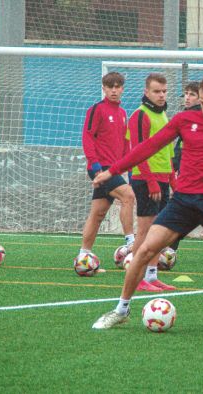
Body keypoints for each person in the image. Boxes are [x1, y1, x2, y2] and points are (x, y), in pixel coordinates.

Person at [90, 75, 203, 330]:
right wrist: (112, 171)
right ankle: (121, 309)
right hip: (182, 202)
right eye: (202, 103)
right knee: (145, 250)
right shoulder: (184, 120)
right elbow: (147, 148)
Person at [79, 72, 135, 270]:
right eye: (110, 86)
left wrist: (127, 166)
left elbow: (125, 143)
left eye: (117, 86)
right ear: (103, 88)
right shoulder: (97, 109)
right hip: (100, 169)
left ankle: (83, 255)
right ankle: (131, 243)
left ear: (122, 89)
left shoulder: (122, 113)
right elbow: (88, 137)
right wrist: (94, 166)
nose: (113, 90)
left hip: (114, 170)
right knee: (128, 196)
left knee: (98, 213)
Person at [126, 73, 175, 292]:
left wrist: (173, 179)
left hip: (162, 178)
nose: (161, 95)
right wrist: (151, 181)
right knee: (145, 232)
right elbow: (137, 151)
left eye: (164, 91)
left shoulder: (163, 115)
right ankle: (136, 277)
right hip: (146, 179)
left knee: (159, 232)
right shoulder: (139, 115)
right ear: (146, 92)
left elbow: (168, 151)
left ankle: (152, 275)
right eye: (156, 91)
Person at [172, 81, 200, 174]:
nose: (187, 97)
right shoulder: (184, 116)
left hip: (194, 169)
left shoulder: (201, 117)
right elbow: (180, 143)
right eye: (186, 94)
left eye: (192, 94)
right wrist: (175, 163)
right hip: (184, 167)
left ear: (201, 99)